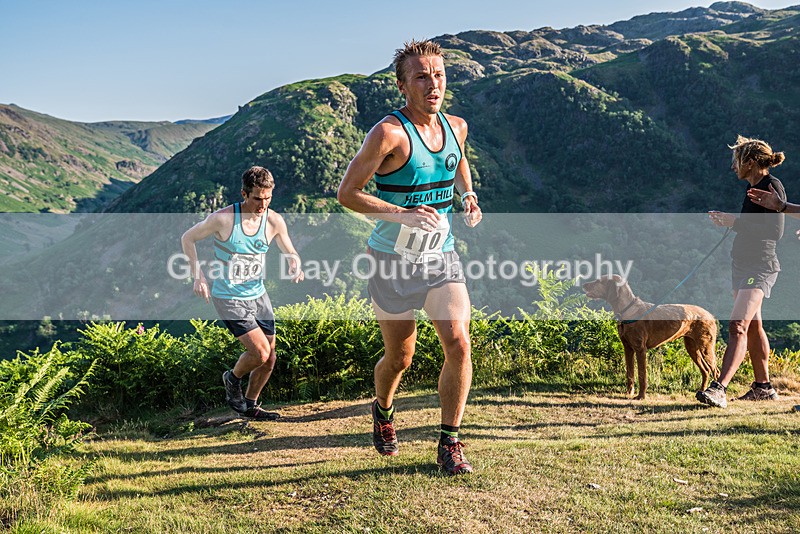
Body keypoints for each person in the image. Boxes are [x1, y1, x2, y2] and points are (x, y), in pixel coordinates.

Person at [337, 39, 482, 475]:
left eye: (438, 74)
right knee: (400, 358)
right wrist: (402, 214)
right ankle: (382, 409)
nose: (432, 83)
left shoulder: (457, 126)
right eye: (421, 76)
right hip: (391, 260)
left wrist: (468, 195)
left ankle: (449, 442)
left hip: (441, 256)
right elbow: (347, 194)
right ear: (403, 86)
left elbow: (457, 162)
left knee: (458, 341)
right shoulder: (388, 134)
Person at [181, 166, 304, 420]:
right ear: (244, 194)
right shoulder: (223, 219)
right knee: (259, 353)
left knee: (270, 359)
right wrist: (198, 275)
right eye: (257, 198)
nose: (263, 204)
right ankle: (232, 378)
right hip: (228, 295)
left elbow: (289, 248)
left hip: (258, 294)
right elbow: (187, 238)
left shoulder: (273, 220)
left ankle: (250, 406)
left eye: (268, 198)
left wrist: (295, 262)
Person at [697, 136, 786, 408]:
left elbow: (775, 232)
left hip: (759, 267)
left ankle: (719, 388)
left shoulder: (771, 187)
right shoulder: (753, 187)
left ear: (749, 162)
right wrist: (732, 222)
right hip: (744, 265)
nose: (733, 167)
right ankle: (763, 387)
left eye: (736, 161)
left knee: (737, 325)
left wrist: (733, 222)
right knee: (754, 325)